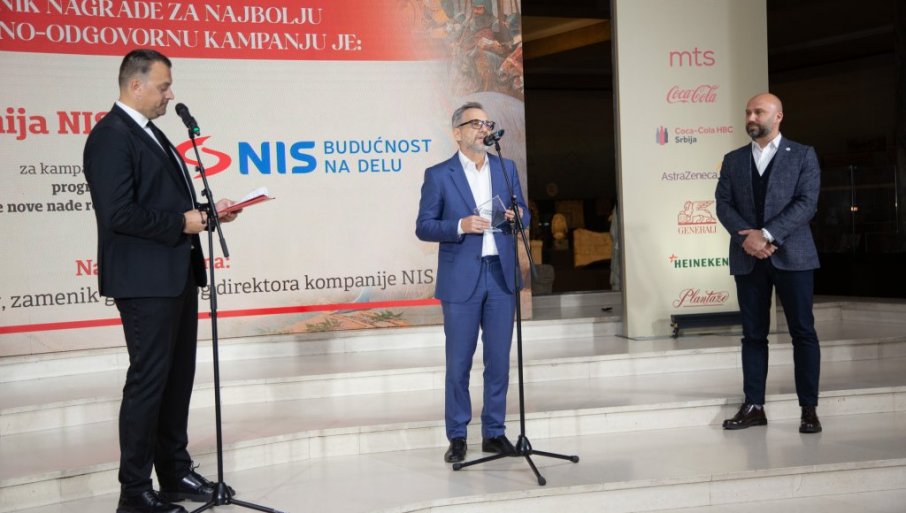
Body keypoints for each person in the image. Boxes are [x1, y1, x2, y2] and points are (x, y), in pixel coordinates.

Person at [84, 49, 240, 513]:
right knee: (149, 383)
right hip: (144, 281)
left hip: (175, 275)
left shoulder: (151, 133)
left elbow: (164, 203)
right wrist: (180, 223)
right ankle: (134, 491)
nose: (170, 95)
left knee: (177, 379)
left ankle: (173, 473)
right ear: (136, 85)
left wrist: (209, 214)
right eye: (163, 85)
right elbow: (118, 214)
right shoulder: (111, 136)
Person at [416, 101, 529, 463]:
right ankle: (458, 435)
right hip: (461, 278)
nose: (483, 129)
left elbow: (525, 214)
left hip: (500, 275)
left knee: (498, 361)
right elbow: (424, 226)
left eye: (487, 123)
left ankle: (494, 432)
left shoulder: (506, 167)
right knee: (459, 362)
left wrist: (517, 215)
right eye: (475, 124)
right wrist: (460, 225)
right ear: (457, 133)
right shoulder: (439, 174)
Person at [715, 92, 822, 434]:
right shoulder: (733, 160)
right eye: (748, 112)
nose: (751, 117)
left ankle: (808, 409)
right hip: (748, 257)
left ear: (778, 117)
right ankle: (754, 406)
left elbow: (807, 203)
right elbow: (723, 205)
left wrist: (767, 234)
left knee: (802, 332)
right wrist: (747, 239)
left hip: (794, 256)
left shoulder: (803, 154)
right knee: (753, 335)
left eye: (758, 112)